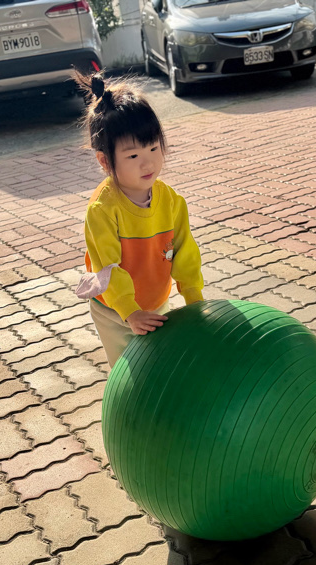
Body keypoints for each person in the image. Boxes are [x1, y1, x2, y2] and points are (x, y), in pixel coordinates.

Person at [72, 72, 204, 368]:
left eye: (154, 148)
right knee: (129, 373)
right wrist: (129, 312)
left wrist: (193, 296)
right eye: (132, 156)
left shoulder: (170, 200)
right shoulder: (103, 209)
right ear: (105, 161)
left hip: (156, 301)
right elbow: (107, 267)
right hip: (115, 311)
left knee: (158, 366)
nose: (148, 162)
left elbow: (184, 250)